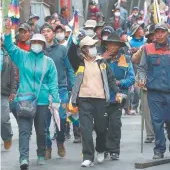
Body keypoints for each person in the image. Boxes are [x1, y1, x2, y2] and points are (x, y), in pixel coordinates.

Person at [3, 19, 60, 169]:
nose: (36, 45)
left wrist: (55, 100)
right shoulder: (23, 57)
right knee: (24, 131)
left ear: (43, 46)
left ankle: (41, 154)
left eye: (39, 43)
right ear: (31, 43)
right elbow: (9, 47)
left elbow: (53, 82)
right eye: (34, 42)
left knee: (41, 131)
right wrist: (8, 32)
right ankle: (24, 158)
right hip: (24, 100)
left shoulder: (49, 63)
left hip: (42, 102)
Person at [68, 35, 120, 167]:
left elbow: (111, 79)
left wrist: (117, 91)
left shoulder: (102, 62)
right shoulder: (79, 62)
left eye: (94, 46)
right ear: (84, 49)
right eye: (90, 47)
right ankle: (88, 157)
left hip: (101, 100)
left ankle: (100, 149)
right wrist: (74, 41)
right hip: (84, 99)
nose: (93, 49)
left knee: (101, 128)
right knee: (85, 129)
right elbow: (70, 53)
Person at [137, 23, 170, 159]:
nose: (159, 35)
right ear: (154, 34)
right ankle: (159, 149)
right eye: (157, 32)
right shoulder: (148, 48)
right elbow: (142, 68)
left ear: (167, 33)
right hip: (154, 91)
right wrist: (142, 78)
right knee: (157, 121)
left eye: (162, 32)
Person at [40, 23, 75, 160]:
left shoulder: (62, 49)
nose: (45, 33)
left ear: (53, 34)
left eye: (48, 31)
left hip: (61, 89)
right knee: (44, 122)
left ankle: (60, 142)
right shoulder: (38, 51)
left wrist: (73, 89)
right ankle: (48, 146)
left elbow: (69, 69)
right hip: (44, 90)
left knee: (61, 118)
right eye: (43, 31)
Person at [101, 32, 135, 160]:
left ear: (119, 46)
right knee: (101, 125)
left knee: (115, 124)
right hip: (102, 96)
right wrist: (102, 59)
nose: (112, 47)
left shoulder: (125, 59)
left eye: (115, 45)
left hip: (118, 97)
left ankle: (114, 150)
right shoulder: (100, 59)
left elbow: (131, 78)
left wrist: (120, 82)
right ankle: (102, 148)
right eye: (110, 44)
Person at [1, 34, 18, 151]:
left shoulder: (8, 55)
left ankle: (7, 137)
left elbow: (13, 74)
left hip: (3, 91)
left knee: (3, 118)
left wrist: (13, 90)